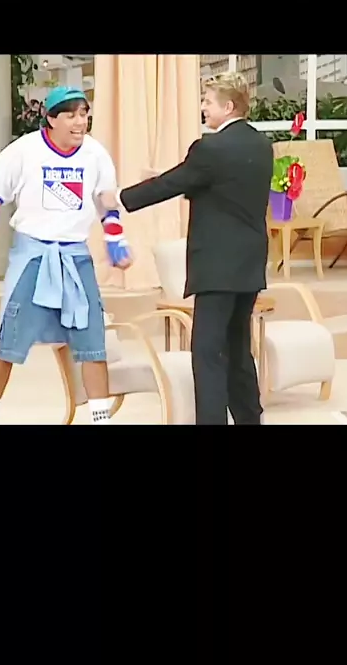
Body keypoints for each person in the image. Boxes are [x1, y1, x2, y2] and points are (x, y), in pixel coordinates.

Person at [103, 72, 273, 426]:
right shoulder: (260, 145)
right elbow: (219, 188)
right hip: (248, 264)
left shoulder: (209, 148)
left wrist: (119, 198)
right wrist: (170, 178)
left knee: (207, 353)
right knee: (238, 348)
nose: (203, 107)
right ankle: (250, 420)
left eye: (208, 101)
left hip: (217, 267)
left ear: (229, 106)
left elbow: (174, 183)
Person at [0, 86, 132, 425]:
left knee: (93, 342)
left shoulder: (96, 154)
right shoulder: (25, 150)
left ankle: (100, 418)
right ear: (51, 119)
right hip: (33, 256)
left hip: (76, 257)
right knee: (8, 343)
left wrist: (116, 242)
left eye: (84, 114)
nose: (80, 122)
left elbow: (107, 203)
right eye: (71, 115)